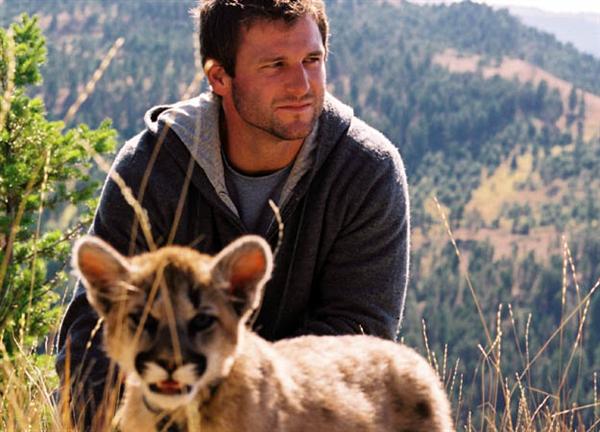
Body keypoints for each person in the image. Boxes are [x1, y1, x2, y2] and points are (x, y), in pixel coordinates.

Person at [56, 0, 410, 427]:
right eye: (275, 65)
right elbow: (92, 330)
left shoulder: (366, 169)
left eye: (312, 60)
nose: (302, 84)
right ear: (219, 77)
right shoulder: (153, 165)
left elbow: (357, 334)